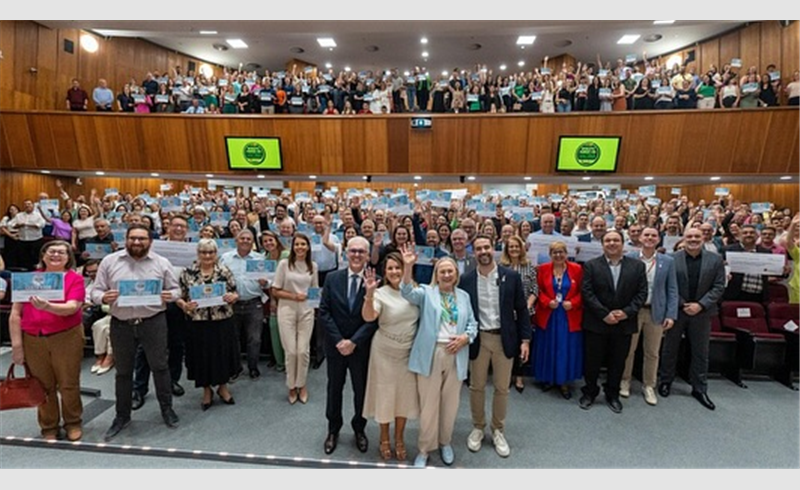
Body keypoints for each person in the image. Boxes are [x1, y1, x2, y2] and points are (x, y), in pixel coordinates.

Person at [91, 224, 181, 440]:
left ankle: (166, 409)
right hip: (121, 323)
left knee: (160, 367)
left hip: (153, 322)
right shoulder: (110, 261)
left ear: (150, 241)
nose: (137, 242)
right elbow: (95, 290)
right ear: (126, 239)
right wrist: (103, 298)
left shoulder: (162, 263)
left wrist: (171, 296)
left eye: (142, 238)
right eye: (133, 238)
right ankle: (122, 415)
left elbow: (176, 290)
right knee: (123, 372)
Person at [400, 247, 477, 468]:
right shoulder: (426, 292)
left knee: (450, 404)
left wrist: (465, 337)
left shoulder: (463, 296)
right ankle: (425, 449)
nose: (446, 275)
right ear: (436, 274)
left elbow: (473, 324)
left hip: (457, 353)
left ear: (456, 274)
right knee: (429, 404)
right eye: (442, 271)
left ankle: (445, 442)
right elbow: (406, 291)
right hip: (432, 353)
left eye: (450, 271)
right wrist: (408, 266)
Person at [459, 235, 530, 458]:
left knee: (501, 388)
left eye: (486, 247)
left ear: (494, 248)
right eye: (478, 248)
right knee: (476, 386)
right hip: (479, 339)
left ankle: (498, 429)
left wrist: (525, 340)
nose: (483, 251)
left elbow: (522, 309)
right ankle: (478, 427)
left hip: (504, 339)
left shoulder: (511, 277)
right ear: (474, 252)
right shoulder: (466, 279)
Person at [9, 240, 85, 441]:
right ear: (43, 256)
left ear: (69, 258)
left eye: (62, 252)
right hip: (33, 339)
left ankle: (73, 422)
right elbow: (15, 314)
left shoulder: (74, 279)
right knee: (42, 385)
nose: (56, 255)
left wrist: (47, 307)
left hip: (66, 337)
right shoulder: (29, 279)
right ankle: (49, 426)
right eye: (51, 251)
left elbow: (72, 307)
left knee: (68, 383)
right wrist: (17, 346)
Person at [319, 236, 377, 456]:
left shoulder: (375, 281)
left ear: (367, 255)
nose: (356, 255)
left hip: (360, 348)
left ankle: (359, 429)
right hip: (335, 347)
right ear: (346, 253)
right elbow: (324, 312)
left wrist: (353, 341)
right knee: (334, 389)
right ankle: (333, 430)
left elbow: (374, 319)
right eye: (353, 251)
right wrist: (340, 341)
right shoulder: (332, 279)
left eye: (361, 252)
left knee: (361, 391)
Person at [579, 230, 647, 413]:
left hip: (624, 323)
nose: (612, 243)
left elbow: (641, 295)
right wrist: (604, 314)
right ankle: (590, 392)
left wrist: (625, 313)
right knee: (592, 361)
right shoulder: (591, 265)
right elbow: (587, 293)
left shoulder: (637, 266)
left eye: (616, 240)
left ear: (623, 243)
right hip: (596, 322)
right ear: (602, 244)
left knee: (618, 362)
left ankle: (612, 394)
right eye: (608, 240)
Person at [658, 227, 726, 410]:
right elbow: (667, 285)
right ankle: (665, 381)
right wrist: (682, 304)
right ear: (683, 239)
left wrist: (700, 305)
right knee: (670, 348)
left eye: (697, 236)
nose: (693, 239)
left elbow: (719, 286)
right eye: (689, 236)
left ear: (703, 238)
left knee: (700, 352)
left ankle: (699, 388)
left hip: (702, 313)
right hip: (677, 311)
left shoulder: (716, 259)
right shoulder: (672, 258)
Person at [361, 252, 420, 461]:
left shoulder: (415, 291)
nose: (395, 271)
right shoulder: (380, 293)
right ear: (385, 272)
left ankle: (400, 438)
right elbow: (369, 317)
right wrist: (369, 294)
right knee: (385, 397)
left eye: (398, 267)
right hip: (384, 351)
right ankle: (384, 438)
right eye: (390, 268)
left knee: (404, 397)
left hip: (408, 353)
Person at [177, 239, 239, 410]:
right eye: (203, 252)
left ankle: (223, 387)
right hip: (198, 322)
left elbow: (235, 291)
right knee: (202, 356)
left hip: (222, 320)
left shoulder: (224, 271)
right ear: (198, 253)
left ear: (215, 254)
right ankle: (206, 390)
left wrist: (233, 297)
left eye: (211, 252)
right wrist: (184, 305)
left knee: (222, 355)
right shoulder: (187, 272)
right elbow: (179, 296)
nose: (207, 256)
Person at [620, 227, 679, 406]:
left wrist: (671, 314)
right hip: (633, 312)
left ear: (658, 239)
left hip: (656, 311)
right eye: (646, 235)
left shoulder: (667, 261)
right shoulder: (629, 257)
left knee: (652, 352)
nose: (650, 238)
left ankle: (649, 385)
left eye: (653, 235)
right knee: (628, 350)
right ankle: (625, 380)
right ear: (639, 237)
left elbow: (672, 289)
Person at [272, 233, 319, 404]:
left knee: (303, 351)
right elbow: (275, 290)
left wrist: (316, 304)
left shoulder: (313, 266)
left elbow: (314, 289)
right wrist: (293, 296)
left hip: (307, 310)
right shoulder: (284, 264)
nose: (300, 247)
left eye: (303, 244)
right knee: (291, 351)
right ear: (293, 247)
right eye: (297, 244)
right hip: (287, 308)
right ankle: (291, 386)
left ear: (308, 247)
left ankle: (302, 384)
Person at [533, 241, 584, 399]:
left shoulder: (577, 269)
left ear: (566, 253)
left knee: (565, 348)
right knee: (548, 346)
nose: (558, 255)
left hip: (569, 315)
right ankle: (548, 378)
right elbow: (537, 290)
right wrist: (547, 301)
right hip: (549, 314)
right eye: (555, 252)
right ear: (550, 254)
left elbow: (584, 291)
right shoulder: (542, 269)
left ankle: (563, 382)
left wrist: (574, 303)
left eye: (561, 252)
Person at [219, 229, 267, 380]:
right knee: (233, 338)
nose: (245, 241)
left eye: (249, 239)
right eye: (242, 238)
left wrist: (265, 282)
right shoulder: (226, 258)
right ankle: (236, 367)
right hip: (232, 304)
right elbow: (219, 280)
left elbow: (269, 282)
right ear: (236, 241)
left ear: (253, 242)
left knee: (255, 338)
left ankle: (253, 367)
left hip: (254, 304)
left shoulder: (260, 259)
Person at [722, 224, 771, 303]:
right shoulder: (728, 250)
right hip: (735, 295)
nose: (749, 235)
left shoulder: (766, 252)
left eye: (752, 233)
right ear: (740, 235)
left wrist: (784, 271)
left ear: (757, 236)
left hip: (759, 296)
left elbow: (776, 272)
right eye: (745, 233)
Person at [7, 199, 46, 271]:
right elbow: (10, 224)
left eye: (29, 204)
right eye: (26, 204)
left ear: (33, 206)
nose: (27, 206)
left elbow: (42, 224)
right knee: (24, 259)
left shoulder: (38, 215)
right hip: (23, 240)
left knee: (36, 258)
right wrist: (17, 225)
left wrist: (30, 225)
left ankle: (36, 272)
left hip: (35, 240)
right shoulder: (19, 215)